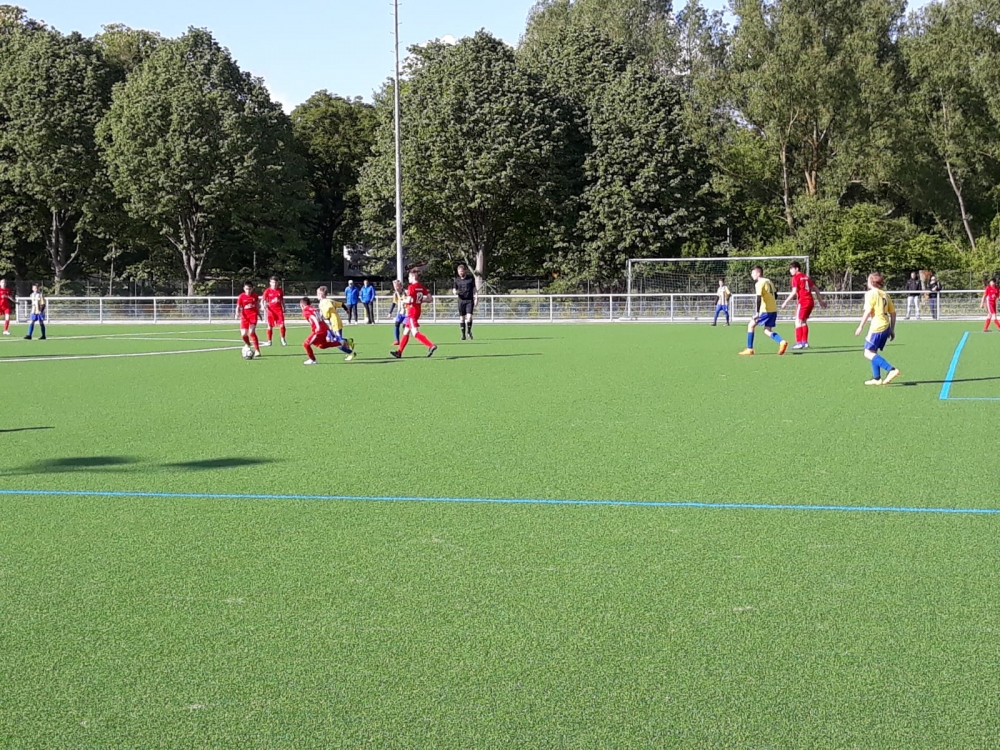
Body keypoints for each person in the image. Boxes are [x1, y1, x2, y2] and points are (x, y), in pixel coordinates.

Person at [854, 273, 900, 386]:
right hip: (886, 326)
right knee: (873, 351)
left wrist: (860, 326)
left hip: (877, 327)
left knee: (867, 353)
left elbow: (868, 311)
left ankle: (891, 369)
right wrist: (892, 329)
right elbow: (893, 313)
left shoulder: (871, 294)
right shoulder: (885, 294)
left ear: (871, 282)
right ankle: (877, 378)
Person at [739, 266, 788, 356]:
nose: (751, 275)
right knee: (767, 330)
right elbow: (775, 295)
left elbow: (758, 298)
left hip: (765, 310)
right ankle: (782, 341)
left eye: (753, 273)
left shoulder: (759, 283)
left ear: (758, 273)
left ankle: (749, 349)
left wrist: (757, 313)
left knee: (751, 325)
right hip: (773, 309)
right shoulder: (768, 281)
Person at [390, 268, 437, 358]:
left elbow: (409, 300)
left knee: (415, 333)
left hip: (412, 312)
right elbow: (430, 299)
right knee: (406, 332)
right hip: (417, 310)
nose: (408, 278)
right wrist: (419, 300)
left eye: (409, 277)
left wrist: (403, 301)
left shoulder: (411, 287)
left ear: (413, 277)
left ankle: (431, 345)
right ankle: (399, 352)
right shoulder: (421, 287)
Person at [780, 261, 824, 349]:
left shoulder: (795, 278)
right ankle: (805, 342)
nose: (790, 271)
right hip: (810, 301)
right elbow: (815, 288)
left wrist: (785, 302)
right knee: (803, 321)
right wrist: (820, 301)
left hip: (803, 301)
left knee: (797, 321)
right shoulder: (806, 277)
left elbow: (793, 292)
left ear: (797, 269)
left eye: (792, 269)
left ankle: (799, 343)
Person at [316, 286, 355, 360]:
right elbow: (341, 304)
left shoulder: (324, 302)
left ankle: (351, 353)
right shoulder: (329, 300)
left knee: (337, 342)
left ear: (322, 294)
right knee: (329, 339)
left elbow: (328, 310)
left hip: (335, 323)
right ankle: (348, 341)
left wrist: (323, 316)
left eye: (318, 293)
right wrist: (346, 309)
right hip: (334, 322)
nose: (317, 295)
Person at [300, 297, 340, 365]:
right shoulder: (314, 309)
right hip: (324, 329)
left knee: (306, 344)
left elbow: (313, 317)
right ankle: (341, 342)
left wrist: (317, 326)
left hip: (319, 331)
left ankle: (312, 360)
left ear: (302, 305)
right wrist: (329, 330)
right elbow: (321, 319)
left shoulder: (305, 310)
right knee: (321, 345)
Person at [235, 281, 261, 357]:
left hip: (253, 316)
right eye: (246, 289)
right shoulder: (241, 296)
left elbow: (257, 305)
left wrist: (259, 314)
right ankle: (248, 344)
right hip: (244, 317)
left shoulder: (255, 296)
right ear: (244, 289)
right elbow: (238, 306)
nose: (248, 290)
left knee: (252, 332)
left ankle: (257, 350)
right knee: (243, 334)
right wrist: (237, 313)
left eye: (249, 289)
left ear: (252, 289)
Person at [453, 264, 477, 340]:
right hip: (461, 301)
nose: (460, 273)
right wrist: (455, 292)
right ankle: (463, 335)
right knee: (462, 318)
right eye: (459, 272)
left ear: (464, 271)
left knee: (469, 317)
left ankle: (469, 332)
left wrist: (476, 298)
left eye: (461, 271)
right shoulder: (456, 280)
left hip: (469, 300)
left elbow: (474, 289)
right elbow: (454, 289)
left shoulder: (470, 278)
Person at [261, 276, 287, 347]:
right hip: (271, 311)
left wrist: (284, 307)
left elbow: (282, 300)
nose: (274, 284)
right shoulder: (267, 291)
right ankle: (269, 341)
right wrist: (262, 306)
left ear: (277, 283)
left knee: (282, 325)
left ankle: (283, 339)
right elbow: (262, 300)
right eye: (273, 282)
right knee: (270, 326)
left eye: (275, 282)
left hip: (279, 310)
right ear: (270, 283)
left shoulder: (280, 291)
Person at [388, 279, 407, 346]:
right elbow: (394, 303)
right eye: (394, 286)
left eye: (397, 286)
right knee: (396, 324)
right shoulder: (395, 294)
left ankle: (404, 341)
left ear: (401, 286)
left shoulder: (406, 292)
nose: (395, 288)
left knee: (405, 327)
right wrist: (390, 313)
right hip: (400, 313)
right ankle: (397, 340)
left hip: (407, 313)